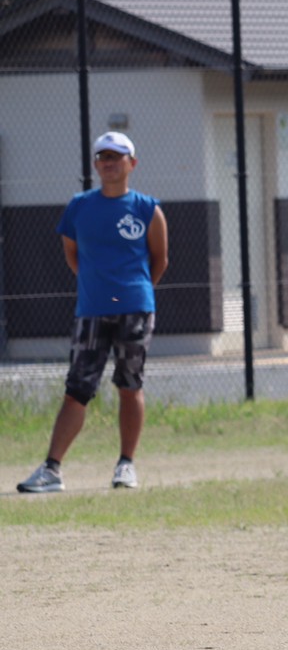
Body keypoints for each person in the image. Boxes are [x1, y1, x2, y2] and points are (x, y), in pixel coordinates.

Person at [16, 132, 168, 494]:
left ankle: (125, 466)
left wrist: (136, 291)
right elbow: (73, 256)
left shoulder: (148, 209)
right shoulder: (79, 206)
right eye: (103, 157)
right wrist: (97, 288)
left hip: (135, 309)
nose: (109, 162)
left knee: (129, 386)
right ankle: (52, 470)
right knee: (77, 390)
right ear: (96, 164)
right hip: (91, 311)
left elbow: (159, 260)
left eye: (117, 156)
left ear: (132, 163)